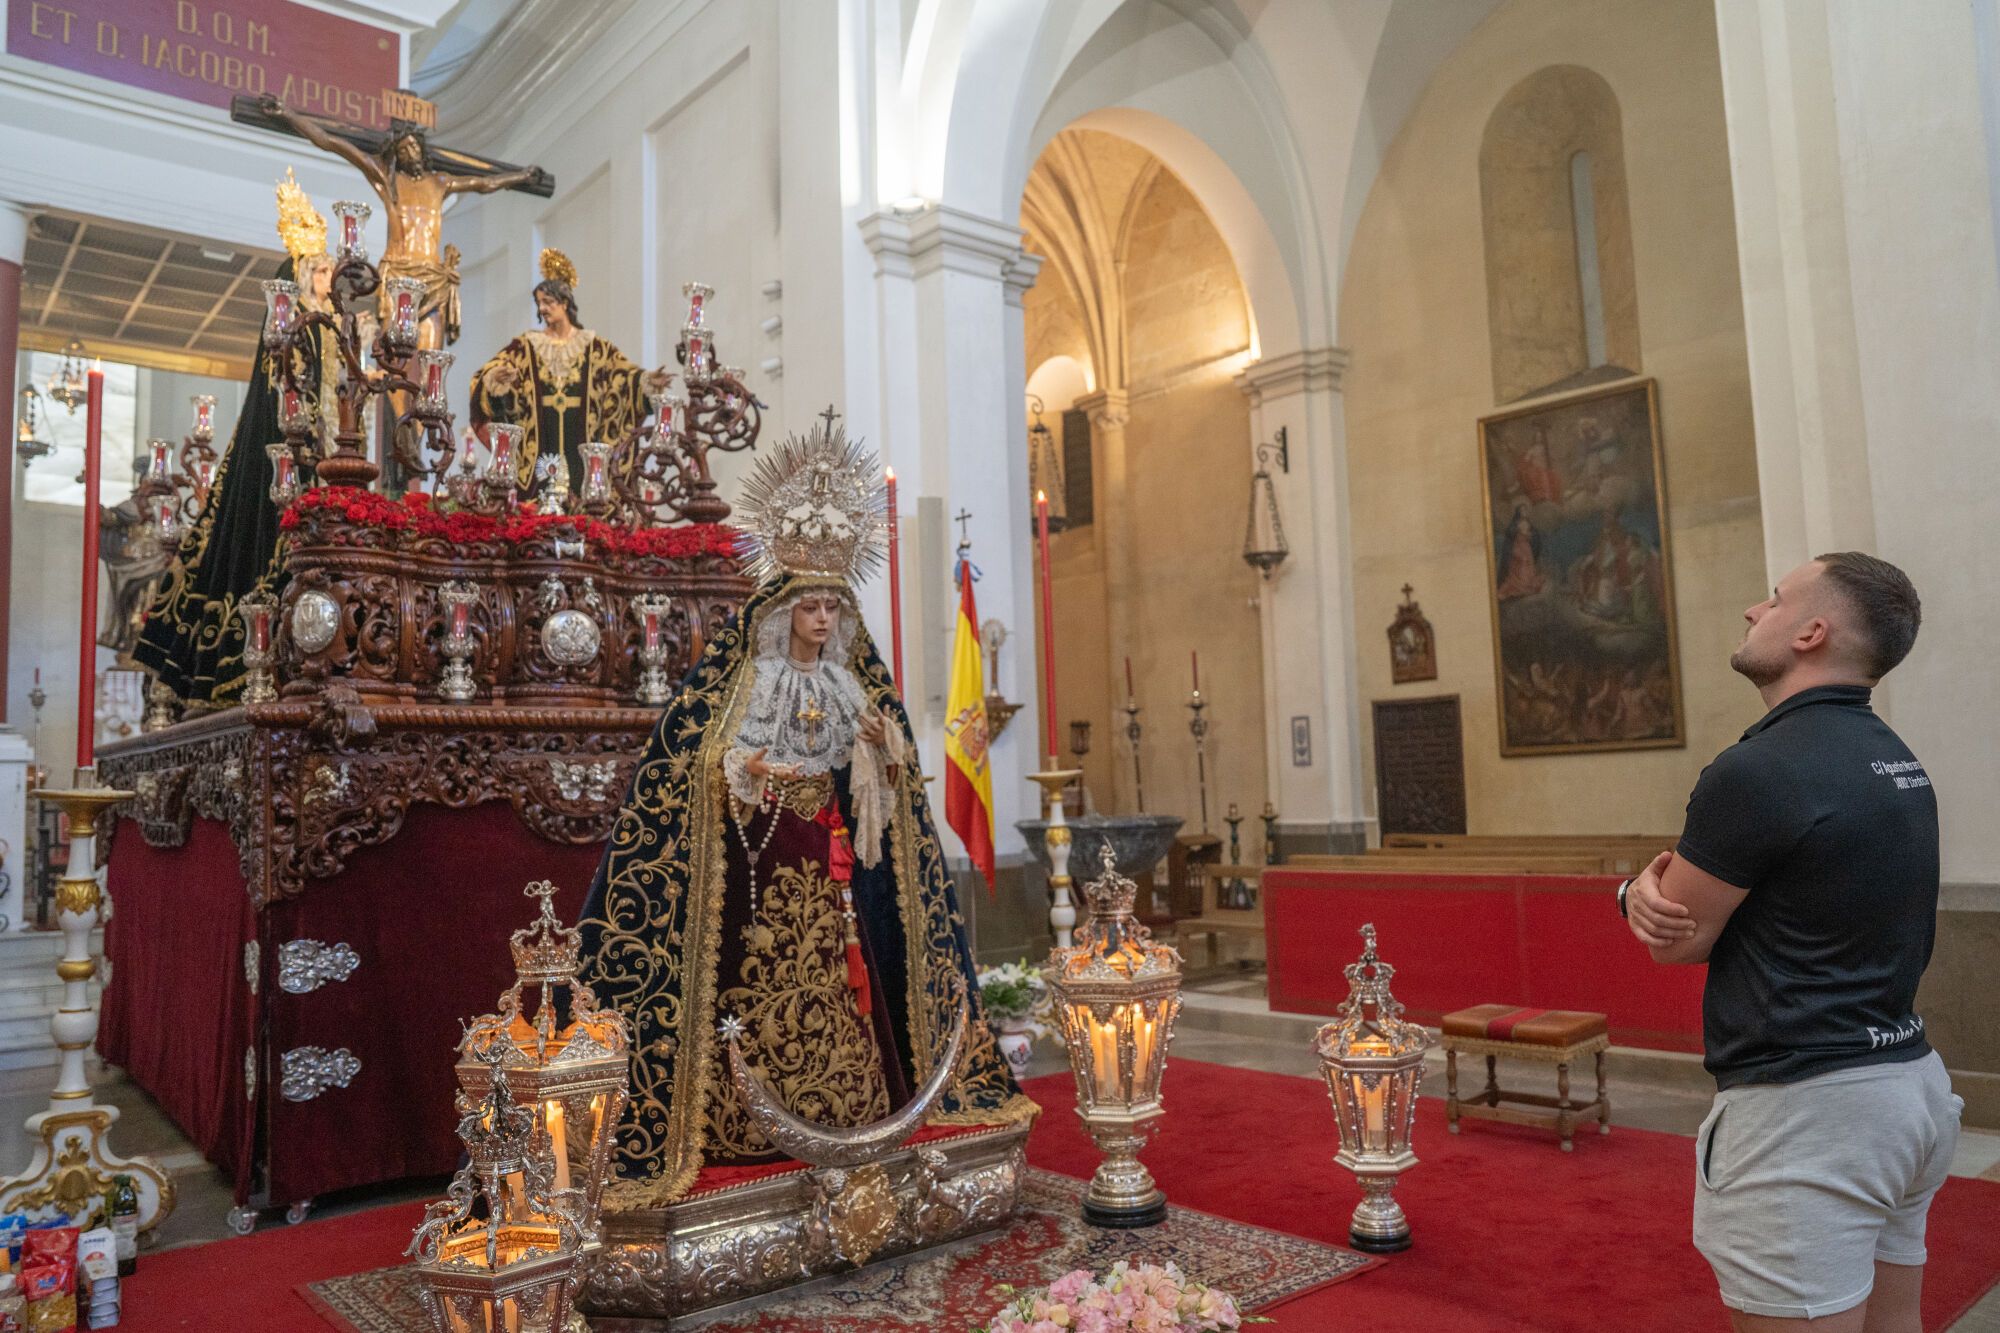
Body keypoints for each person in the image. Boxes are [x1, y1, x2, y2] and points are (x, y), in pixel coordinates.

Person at [577, 426, 1035, 1208]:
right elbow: (718, 757)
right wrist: (756, 771)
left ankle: (857, 1104)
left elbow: (886, 771)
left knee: (850, 979)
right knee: (772, 977)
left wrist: (878, 748)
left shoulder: (849, 681)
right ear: (783, 608)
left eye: (832, 605)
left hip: (836, 857)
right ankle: (757, 1113)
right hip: (770, 859)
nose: (822, 618)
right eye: (811, 605)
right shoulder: (752, 677)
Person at [1623, 552, 1959, 1333]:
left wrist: (1630, 893)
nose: (1752, 609)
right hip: (1909, 1082)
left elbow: (1675, 937)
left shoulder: (1758, 769)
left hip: (1810, 1112)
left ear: (1812, 630)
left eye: (1773, 598)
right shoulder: (1896, 758)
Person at [133, 172, 337, 710]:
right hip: (297, 456)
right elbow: (292, 395)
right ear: (299, 275)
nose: (328, 278)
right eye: (319, 270)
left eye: (329, 269)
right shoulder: (296, 331)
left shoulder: (335, 327)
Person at [251, 94, 551, 347]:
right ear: (396, 154)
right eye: (404, 149)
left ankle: (425, 417)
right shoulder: (388, 181)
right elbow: (332, 143)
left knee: (431, 354)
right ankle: (399, 416)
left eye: (414, 146)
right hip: (397, 274)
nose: (410, 152)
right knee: (395, 354)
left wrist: (521, 176)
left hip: (433, 276)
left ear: (422, 148)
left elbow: (483, 183)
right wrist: (289, 115)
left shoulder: (440, 182)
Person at [469, 249, 665, 495]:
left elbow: (622, 377)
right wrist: (495, 381)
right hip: (541, 444)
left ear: (564, 303)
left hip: (581, 445)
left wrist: (645, 382)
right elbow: (488, 375)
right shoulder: (526, 346)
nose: (542, 308)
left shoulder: (594, 347)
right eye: (539, 303)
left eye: (548, 302)